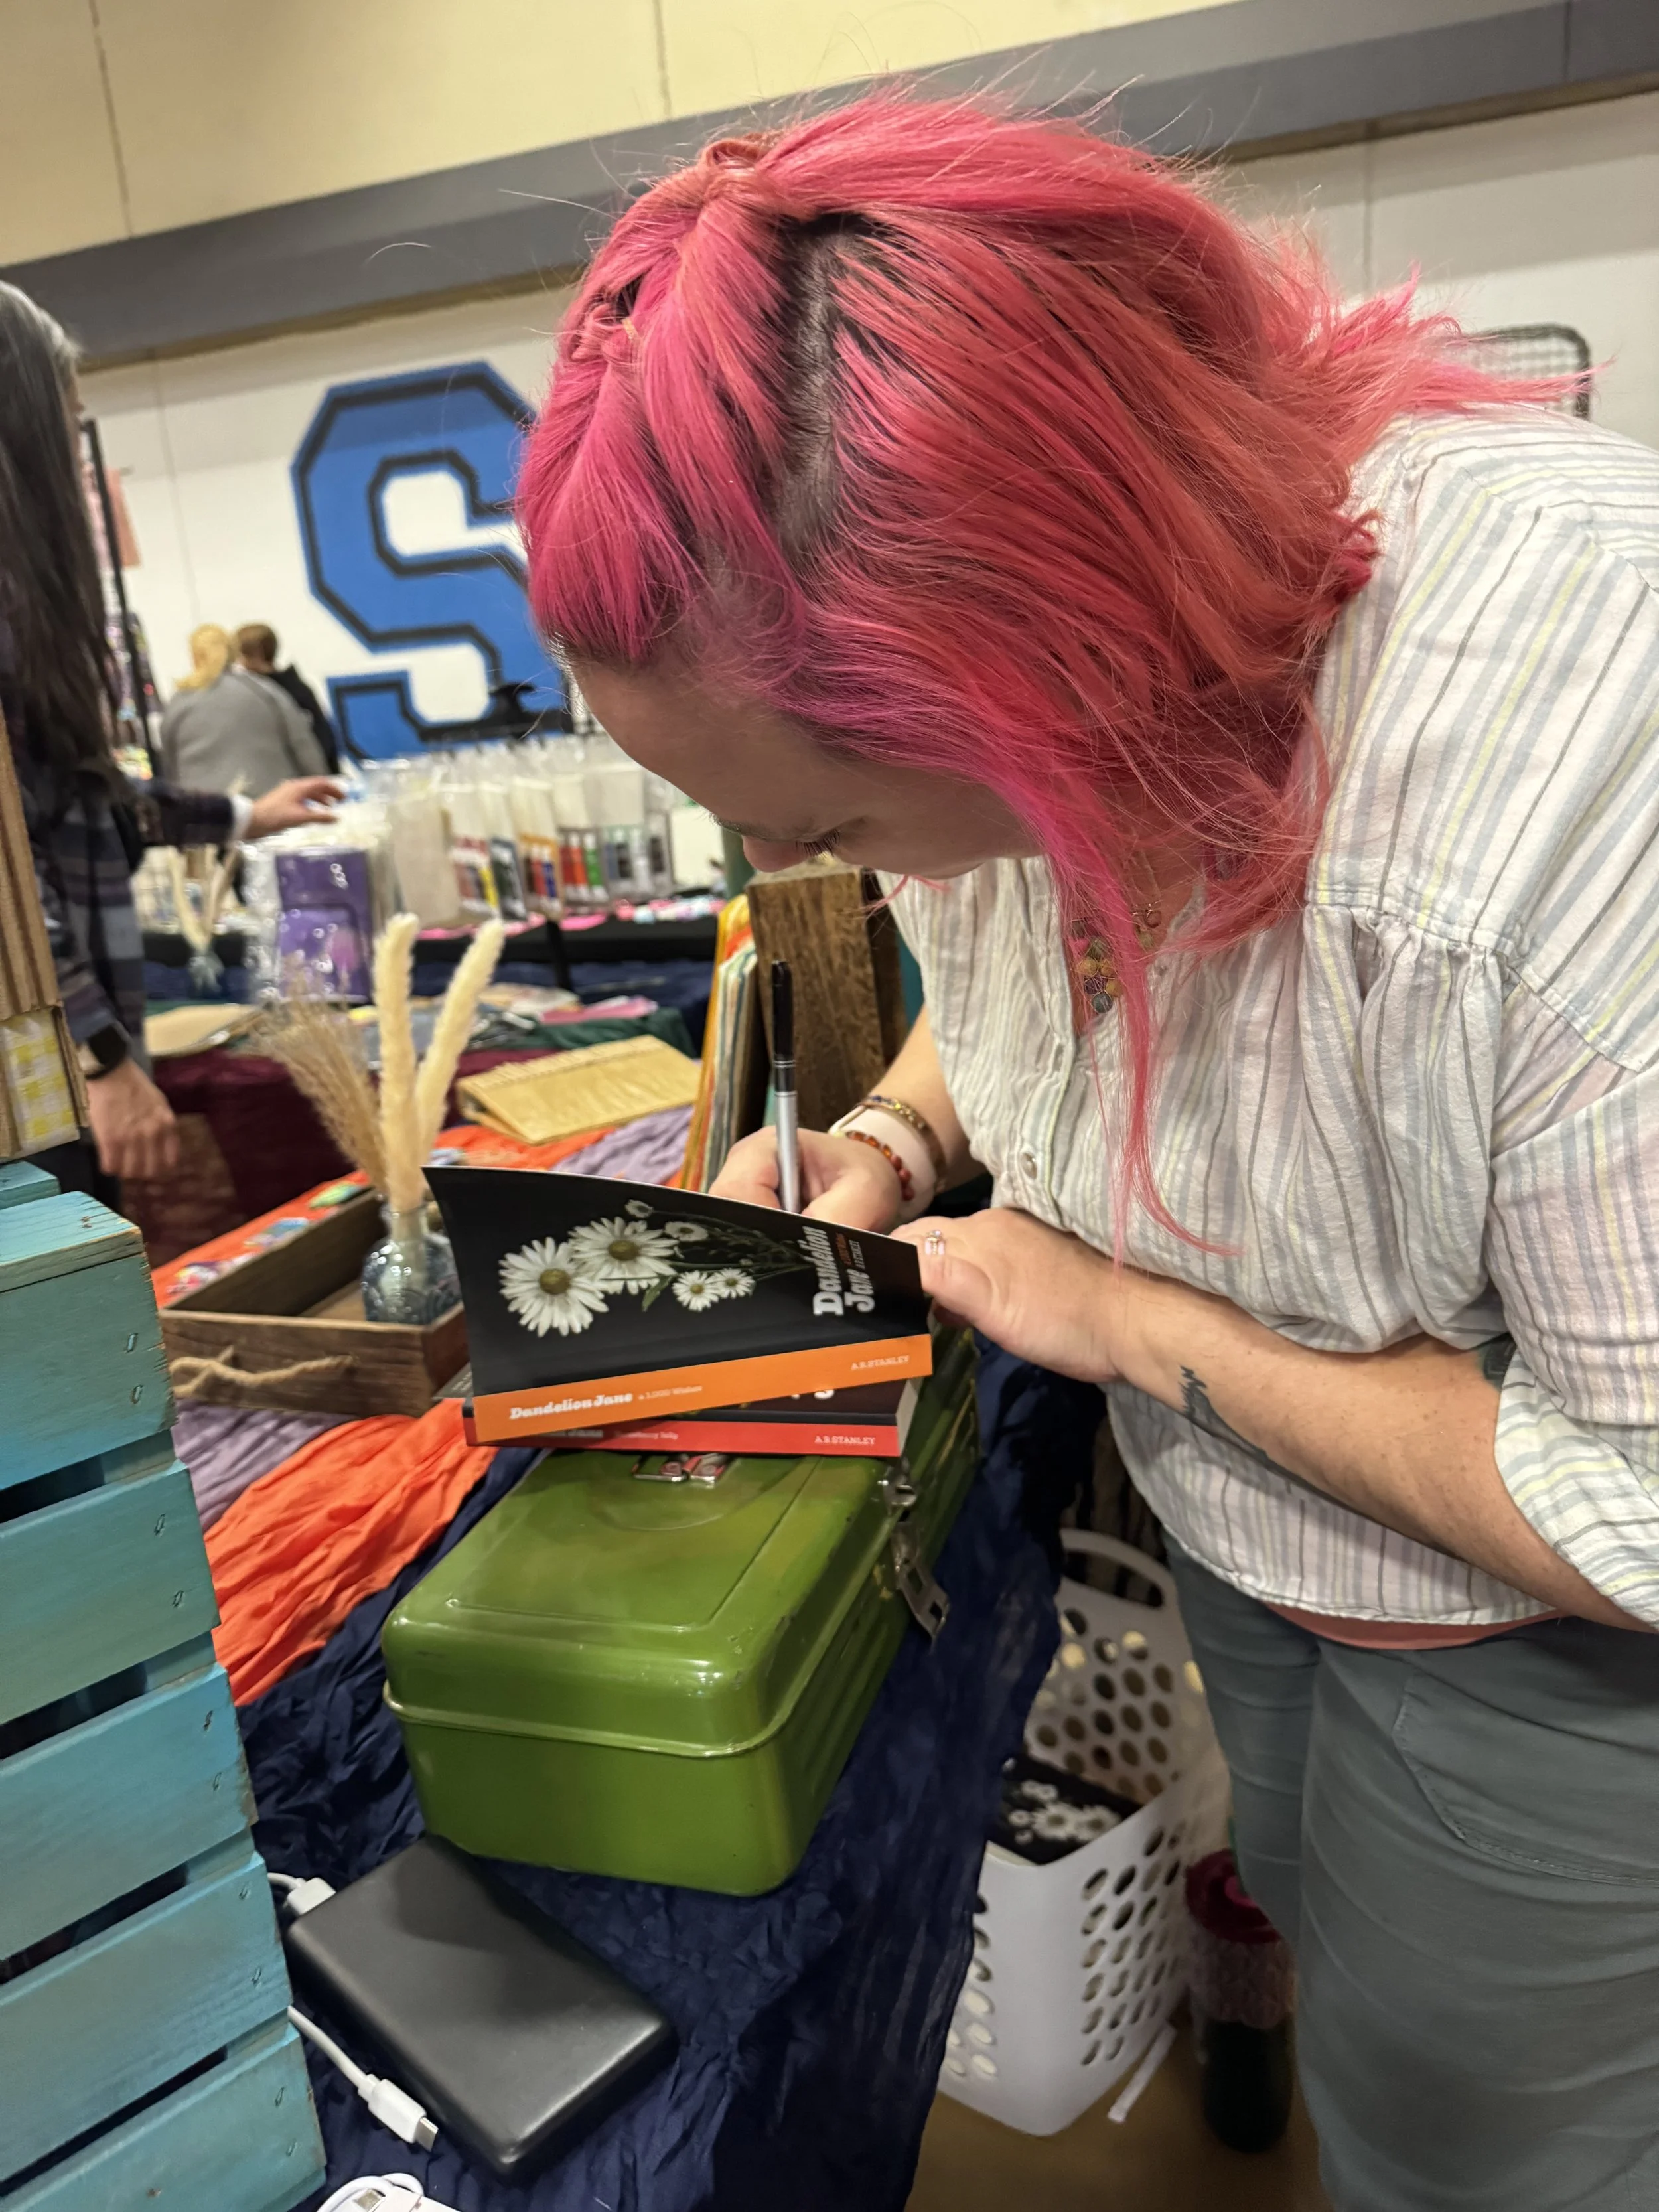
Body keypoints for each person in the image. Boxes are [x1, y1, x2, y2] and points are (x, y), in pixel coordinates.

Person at [516, 99, 1659, 2210]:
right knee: (1346, 1989)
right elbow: (1020, 919)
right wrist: (890, 1132)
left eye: (829, 828)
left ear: (1056, 676)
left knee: (1483, 2149)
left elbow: (1639, 1506)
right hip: (1269, 1538)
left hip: (1546, 1641)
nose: (781, 876)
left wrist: (1117, 1312)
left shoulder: (1586, 761)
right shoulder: (1024, 696)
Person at [0, 281, 340, 1198]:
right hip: (40, 1088)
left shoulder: (33, 619)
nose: (82, 468)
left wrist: (240, 814)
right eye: (67, 433)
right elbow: (9, 886)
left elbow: (76, 803)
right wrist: (98, 1058)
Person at [160, 620, 330, 796]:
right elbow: (305, 750)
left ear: (194, 656)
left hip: (207, 814)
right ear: (233, 652)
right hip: (273, 806)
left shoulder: (178, 702)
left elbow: (171, 770)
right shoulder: (264, 690)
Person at [236, 621, 346, 773]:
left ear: (256, 656)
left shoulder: (283, 693)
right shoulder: (298, 688)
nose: (239, 663)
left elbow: (321, 743)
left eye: (242, 656)